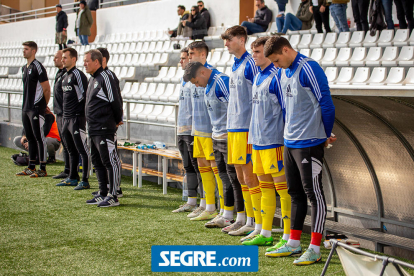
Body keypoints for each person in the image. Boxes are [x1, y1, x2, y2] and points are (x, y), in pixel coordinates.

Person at [264, 36, 336, 265]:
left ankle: (315, 247)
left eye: (276, 59)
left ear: (286, 50)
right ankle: (294, 243)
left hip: (310, 142)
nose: (275, 65)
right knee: (295, 193)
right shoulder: (282, 72)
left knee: (314, 194)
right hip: (290, 142)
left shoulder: (309, 68)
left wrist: (325, 133)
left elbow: (326, 102)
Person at [242, 36, 291, 253]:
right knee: (265, 188)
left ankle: (289, 237)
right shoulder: (258, 76)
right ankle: (266, 233)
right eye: (252, 52)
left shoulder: (277, 77)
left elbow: (286, 109)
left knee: (284, 190)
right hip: (258, 141)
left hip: (274, 142)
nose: (254, 56)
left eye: (258, 52)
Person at [184, 61, 239, 229]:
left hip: (228, 137)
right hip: (216, 136)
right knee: (224, 177)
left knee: (233, 179)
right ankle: (225, 213)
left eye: (196, 82)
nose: (197, 86)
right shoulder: (207, 86)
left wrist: (232, 134)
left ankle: (239, 217)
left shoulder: (222, 81)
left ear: (201, 73)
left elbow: (235, 107)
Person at [220, 26, 260, 236]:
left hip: (246, 128)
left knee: (250, 177)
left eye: (229, 39)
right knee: (240, 177)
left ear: (242, 39)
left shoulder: (251, 64)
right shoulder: (235, 65)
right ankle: (245, 218)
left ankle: (256, 223)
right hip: (234, 128)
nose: (226, 43)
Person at [185, 41, 222, 222]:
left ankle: (223, 208)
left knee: (216, 169)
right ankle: (208, 206)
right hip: (197, 130)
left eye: (192, 53)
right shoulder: (192, 77)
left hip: (210, 130)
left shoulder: (210, 75)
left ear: (203, 55)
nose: (189, 56)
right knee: (202, 167)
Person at [84, 50, 123, 207]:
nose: (84, 64)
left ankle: (113, 195)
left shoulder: (105, 77)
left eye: (87, 61)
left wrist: (117, 120)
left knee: (110, 161)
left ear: (96, 62)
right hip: (92, 128)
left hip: (104, 127)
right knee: (97, 161)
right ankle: (102, 192)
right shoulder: (92, 79)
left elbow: (115, 101)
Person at [172, 47, 205, 214]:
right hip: (182, 128)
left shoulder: (197, 79)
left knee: (198, 166)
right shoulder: (183, 79)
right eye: (182, 58)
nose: (182, 61)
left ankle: (204, 202)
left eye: (185, 57)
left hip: (194, 129)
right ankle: (191, 201)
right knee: (188, 166)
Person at [56, 48, 90, 190]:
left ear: (73, 59)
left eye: (65, 58)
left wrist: (82, 115)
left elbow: (86, 96)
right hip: (66, 118)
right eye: (62, 58)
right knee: (70, 149)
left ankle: (85, 180)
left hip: (77, 118)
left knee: (82, 149)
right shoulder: (64, 76)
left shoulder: (78, 75)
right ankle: (72, 177)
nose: (62, 60)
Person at [16, 41, 50, 178]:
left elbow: (46, 88)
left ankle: (42, 168)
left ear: (34, 51)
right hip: (26, 108)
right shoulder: (24, 68)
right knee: (30, 137)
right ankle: (31, 166)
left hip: (36, 108)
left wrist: (42, 105)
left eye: (26, 49)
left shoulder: (38, 67)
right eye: (23, 49)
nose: (24, 51)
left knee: (39, 138)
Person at [95, 47, 123, 197]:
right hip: (98, 125)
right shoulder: (97, 76)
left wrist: (118, 119)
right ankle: (106, 188)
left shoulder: (109, 76)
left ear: (102, 60)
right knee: (103, 158)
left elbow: (116, 100)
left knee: (110, 157)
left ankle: (115, 190)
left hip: (107, 124)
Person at [51, 50, 72, 180]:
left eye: (58, 57)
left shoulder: (67, 74)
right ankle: (67, 169)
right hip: (59, 113)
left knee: (69, 144)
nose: (56, 59)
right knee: (65, 143)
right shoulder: (60, 73)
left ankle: (71, 171)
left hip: (66, 114)